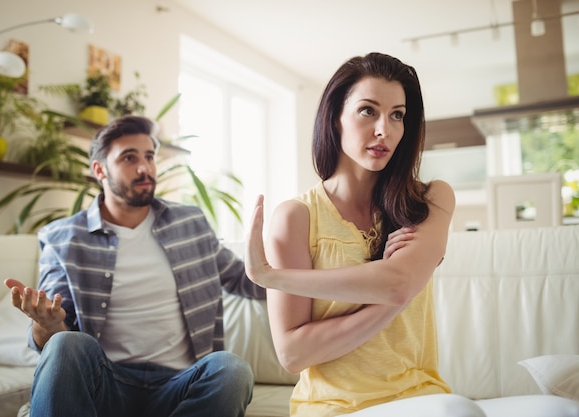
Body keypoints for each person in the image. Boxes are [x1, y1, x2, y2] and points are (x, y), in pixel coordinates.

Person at [243, 52, 579, 417]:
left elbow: (397, 283)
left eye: (397, 115)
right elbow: (293, 353)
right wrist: (392, 291)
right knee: (456, 412)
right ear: (334, 117)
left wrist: (272, 277)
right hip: (336, 407)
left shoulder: (431, 199)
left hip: (423, 396)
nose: (384, 129)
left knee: (558, 409)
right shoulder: (296, 217)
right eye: (368, 110)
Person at [5, 115, 266, 417]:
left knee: (231, 369)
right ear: (99, 169)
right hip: (105, 385)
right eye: (129, 158)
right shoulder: (63, 237)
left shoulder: (190, 222)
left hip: (179, 385)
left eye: (149, 157)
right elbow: (56, 339)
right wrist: (46, 323)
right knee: (65, 343)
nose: (145, 169)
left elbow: (243, 279)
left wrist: (305, 273)